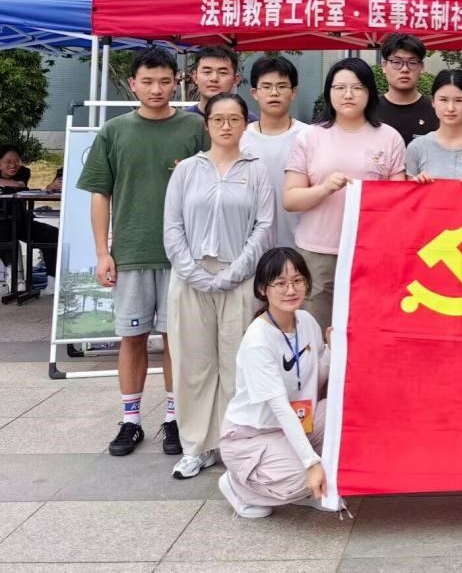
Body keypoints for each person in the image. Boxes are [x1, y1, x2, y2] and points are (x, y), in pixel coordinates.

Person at [77, 47, 208, 458]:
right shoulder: (114, 131)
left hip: (182, 256)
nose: (156, 89)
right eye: (147, 82)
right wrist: (102, 252)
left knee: (176, 339)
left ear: (177, 83)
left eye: (165, 81)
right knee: (131, 338)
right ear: (133, 84)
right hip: (131, 252)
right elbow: (100, 194)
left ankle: (174, 417)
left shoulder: (195, 128)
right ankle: (130, 420)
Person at [163, 93, 275, 480]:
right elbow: (172, 227)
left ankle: (234, 444)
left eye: (235, 119)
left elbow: (264, 226)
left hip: (239, 278)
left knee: (235, 364)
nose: (226, 126)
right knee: (193, 364)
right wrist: (193, 272)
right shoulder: (187, 170)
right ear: (206, 124)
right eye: (218, 119)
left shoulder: (257, 171)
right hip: (190, 278)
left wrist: (234, 273)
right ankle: (196, 446)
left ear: (246, 124)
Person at [284, 58, 406, 330]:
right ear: (328, 92)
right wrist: (324, 188)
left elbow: (398, 202)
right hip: (318, 252)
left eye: (357, 87)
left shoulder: (389, 138)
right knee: (314, 331)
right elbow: (290, 200)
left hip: (370, 251)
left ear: (370, 92)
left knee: (366, 330)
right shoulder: (309, 137)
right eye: (339, 87)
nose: (348, 94)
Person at [219, 248, 332, 519]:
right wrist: (311, 463)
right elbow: (279, 407)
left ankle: (307, 490)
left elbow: (315, 375)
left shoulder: (306, 321)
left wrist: (332, 350)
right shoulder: (258, 340)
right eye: (280, 283)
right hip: (252, 436)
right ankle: (238, 486)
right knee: (302, 476)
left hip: (298, 420)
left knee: (346, 417)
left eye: (297, 281)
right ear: (262, 289)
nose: (290, 290)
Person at [241, 56, 308, 250]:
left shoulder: (309, 136)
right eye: (266, 86)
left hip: (300, 244)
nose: (274, 92)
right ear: (254, 93)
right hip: (250, 245)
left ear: (293, 92)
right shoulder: (241, 139)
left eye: (282, 86)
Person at [0, 144, 59, 278]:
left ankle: (52, 279)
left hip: (20, 221)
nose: (13, 165)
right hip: (2, 224)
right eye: (8, 161)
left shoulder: (23, 172)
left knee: (52, 234)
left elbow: (19, 185)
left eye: (17, 161)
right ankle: (11, 278)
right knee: (4, 235)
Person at [375, 32, 440, 146]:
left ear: (421, 67)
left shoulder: (437, 110)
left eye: (412, 63)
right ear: (384, 66)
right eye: (397, 62)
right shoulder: (369, 109)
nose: (404, 69)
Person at [186, 46, 256, 120]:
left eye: (222, 72)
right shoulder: (182, 121)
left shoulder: (249, 122)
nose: (214, 78)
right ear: (195, 77)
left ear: (235, 79)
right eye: (207, 72)